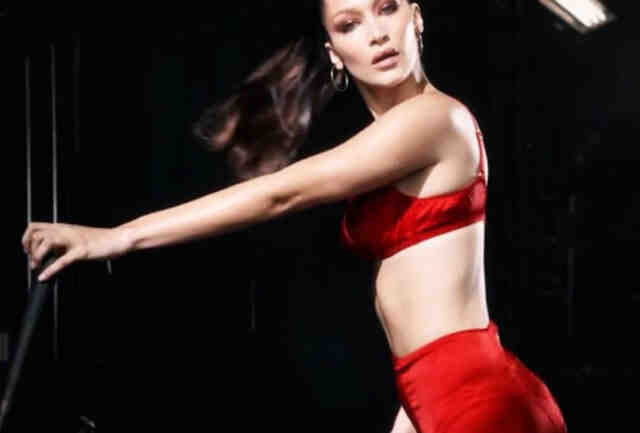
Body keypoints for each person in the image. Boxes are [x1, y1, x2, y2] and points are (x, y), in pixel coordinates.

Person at [22, 1, 568, 432]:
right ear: (335, 53)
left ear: (416, 17)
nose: (376, 34)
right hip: (437, 394)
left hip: (476, 397)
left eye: (387, 8)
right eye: (350, 24)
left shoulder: (435, 118)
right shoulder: (398, 139)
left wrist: (118, 237)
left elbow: (279, 195)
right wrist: (412, 414)